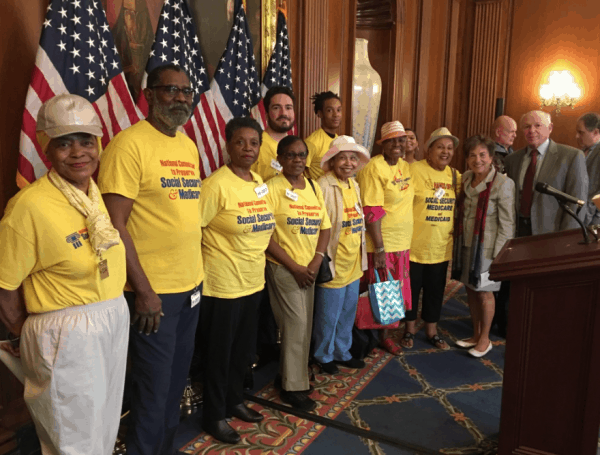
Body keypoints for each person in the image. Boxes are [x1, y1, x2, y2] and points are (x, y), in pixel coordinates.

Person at [0, 94, 128, 454]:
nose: (78, 153)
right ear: (46, 150)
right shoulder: (29, 206)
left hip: (109, 317)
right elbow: (5, 288)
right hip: (65, 334)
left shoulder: (92, 194)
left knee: (102, 428)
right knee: (71, 440)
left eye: (86, 141)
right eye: (63, 144)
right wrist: (29, 337)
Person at [98, 64, 204, 455]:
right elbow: (114, 225)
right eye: (170, 90)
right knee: (153, 390)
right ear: (149, 94)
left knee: (175, 385)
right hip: (153, 296)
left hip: (191, 286)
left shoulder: (187, 144)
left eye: (185, 91)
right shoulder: (128, 145)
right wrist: (143, 291)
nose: (180, 98)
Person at [199, 117, 276, 444]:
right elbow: (194, 229)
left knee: (243, 352)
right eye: (240, 142)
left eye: (254, 143)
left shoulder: (258, 180)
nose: (248, 148)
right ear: (227, 145)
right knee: (219, 354)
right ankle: (214, 415)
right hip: (222, 285)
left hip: (252, 281)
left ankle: (234, 400)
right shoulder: (215, 185)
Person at [264, 136, 331, 411]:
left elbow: (324, 227)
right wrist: (295, 267)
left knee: (303, 327)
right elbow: (265, 234)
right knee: (295, 324)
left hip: (309, 269)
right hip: (283, 268)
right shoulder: (269, 188)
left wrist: (315, 262)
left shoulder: (313, 187)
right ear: (279, 158)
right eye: (290, 155)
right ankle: (293, 387)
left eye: (302, 155)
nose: (297, 160)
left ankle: (292, 374)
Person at [451, 136, 515, 357]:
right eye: (472, 155)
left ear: (491, 157)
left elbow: (507, 224)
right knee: (470, 289)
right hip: (466, 246)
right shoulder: (466, 178)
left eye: (482, 155)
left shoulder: (503, 184)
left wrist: (499, 256)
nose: (477, 160)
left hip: (487, 250)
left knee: (485, 293)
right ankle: (476, 334)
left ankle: (485, 339)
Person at [356, 121, 414, 355]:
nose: (398, 144)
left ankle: (383, 333)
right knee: (380, 291)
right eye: (392, 141)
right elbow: (371, 211)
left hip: (402, 242)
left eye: (401, 140)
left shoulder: (405, 166)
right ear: (383, 144)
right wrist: (379, 248)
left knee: (393, 291)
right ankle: (377, 337)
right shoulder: (374, 168)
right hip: (383, 243)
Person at [313, 136, 369, 371]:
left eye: (353, 158)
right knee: (328, 315)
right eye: (343, 157)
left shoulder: (354, 184)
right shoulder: (323, 185)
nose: (348, 163)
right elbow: (318, 225)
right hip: (333, 261)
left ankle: (342, 351)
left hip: (353, 260)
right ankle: (323, 355)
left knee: (347, 312)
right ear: (333, 161)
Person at [405, 127, 461, 350]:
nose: (445, 152)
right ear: (429, 150)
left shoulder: (455, 176)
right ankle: (408, 330)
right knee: (411, 290)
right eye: (440, 147)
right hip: (414, 245)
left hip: (440, 246)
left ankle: (431, 331)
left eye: (449, 148)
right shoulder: (413, 170)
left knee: (435, 291)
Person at [504, 110, 588, 237]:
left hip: (552, 233)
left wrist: (568, 237)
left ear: (550, 128)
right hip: (517, 232)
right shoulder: (512, 159)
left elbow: (577, 201)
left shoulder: (571, 157)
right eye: (527, 127)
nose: (531, 130)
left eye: (537, 125)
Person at [251, 86, 296, 181]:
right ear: (266, 115)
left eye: (288, 107)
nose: (284, 113)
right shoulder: (255, 145)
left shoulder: (297, 146)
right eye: (276, 108)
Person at [305, 91, 342, 180]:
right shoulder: (312, 142)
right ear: (320, 113)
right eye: (330, 110)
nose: (336, 114)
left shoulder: (339, 140)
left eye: (338, 110)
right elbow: (301, 173)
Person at [576, 112, 600, 226]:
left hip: (593, 221)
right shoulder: (582, 152)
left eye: (581, 133)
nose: (577, 136)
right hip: (580, 215)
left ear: (595, 132)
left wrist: (589, 219)